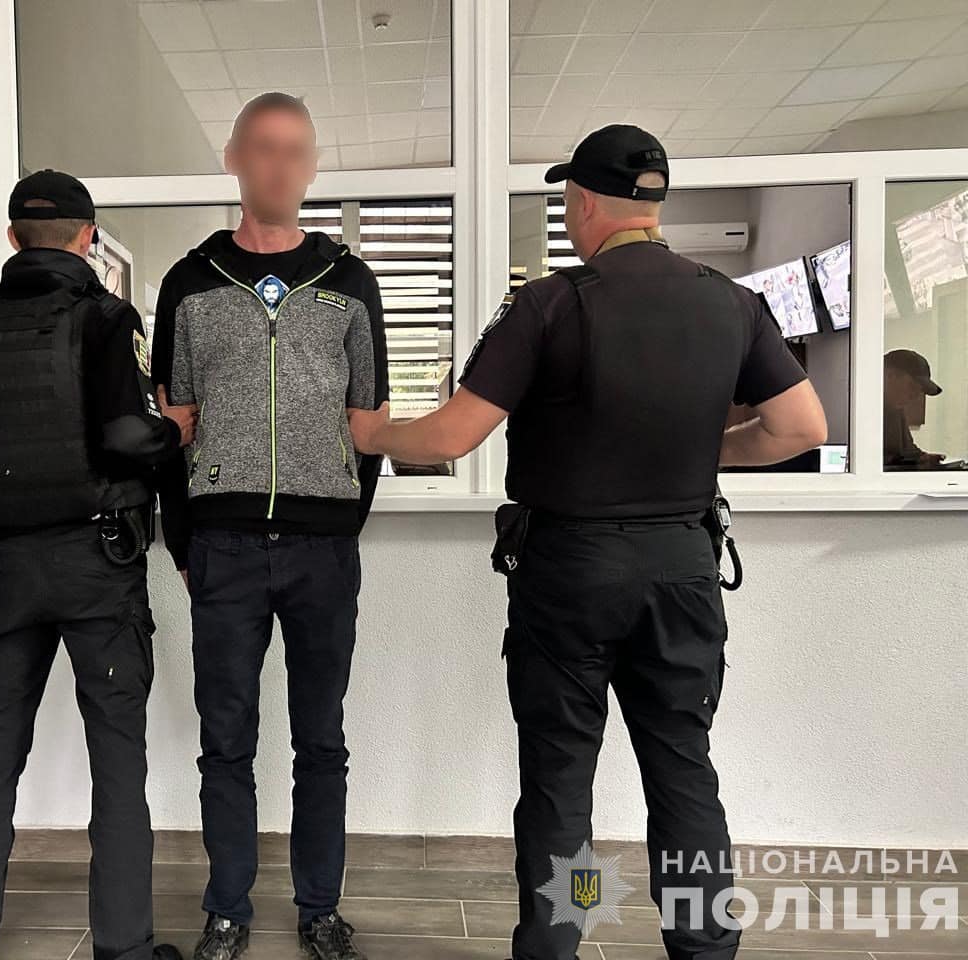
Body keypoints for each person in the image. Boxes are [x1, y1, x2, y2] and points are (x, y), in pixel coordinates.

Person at [348, 125, 828, 960]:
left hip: (571, 574)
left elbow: (452, 437)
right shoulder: (731, 302)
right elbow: (800, 428)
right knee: (683, 771)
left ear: (582, 202)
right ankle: (705, 948)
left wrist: (372, 434)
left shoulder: (549, 304)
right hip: (682, 569)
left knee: (561, 780)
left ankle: (561, 937)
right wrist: (698, 452)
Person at [0, 169, 184, 960]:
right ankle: (124, 949)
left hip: (4, 567)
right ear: (87, 237)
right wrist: (174, 431)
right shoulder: (106, 318)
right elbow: (127, 437)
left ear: (10, 237)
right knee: (117, 759)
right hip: (98, 565)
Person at [150, 92, 388, 960]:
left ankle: (320, 908)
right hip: (224, 548)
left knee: (321, 739)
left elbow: (370, 423)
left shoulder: (350, 283)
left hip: (323, 551)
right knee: (226, 741)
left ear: (313, 166)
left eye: (295, 151)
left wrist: (342, 520)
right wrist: (185, 540)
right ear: (234, 158)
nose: (278, 166)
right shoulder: (188, 283)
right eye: (262, 148)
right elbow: (172, 428)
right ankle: (228, 909)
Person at [883, 348, 946, 468]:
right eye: (912, 387)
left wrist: (922, 458)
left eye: (920, 390)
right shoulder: (855, 408)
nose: (916, 396)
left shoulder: (896, 411)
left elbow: (908, 451)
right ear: (890, 376)